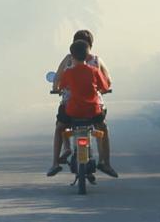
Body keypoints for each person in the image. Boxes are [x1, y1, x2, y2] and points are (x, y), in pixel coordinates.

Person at [47, 31, 118, 177]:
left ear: (72, 49)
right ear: (89, 47)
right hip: (94, 111)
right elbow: (107, 83)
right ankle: (106, 163)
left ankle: (55, 162)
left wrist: (58, 89)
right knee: (102, 128)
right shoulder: (96, 64)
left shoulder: (68, 65)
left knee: (60, 126)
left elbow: (59, 84)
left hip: (71, 110)